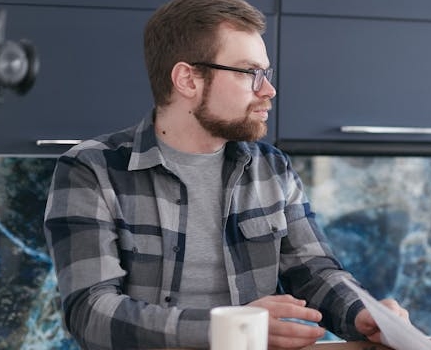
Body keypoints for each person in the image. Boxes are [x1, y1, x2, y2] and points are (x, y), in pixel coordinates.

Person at [43, 0, 408, 349]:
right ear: (188, 80)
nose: (269, 90)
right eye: (251, 73)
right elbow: (91, 313)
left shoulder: (271, 168)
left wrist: (365, 314)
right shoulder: (90, 170)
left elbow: (314, 271)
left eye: (267, 73)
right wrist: (231, 327)